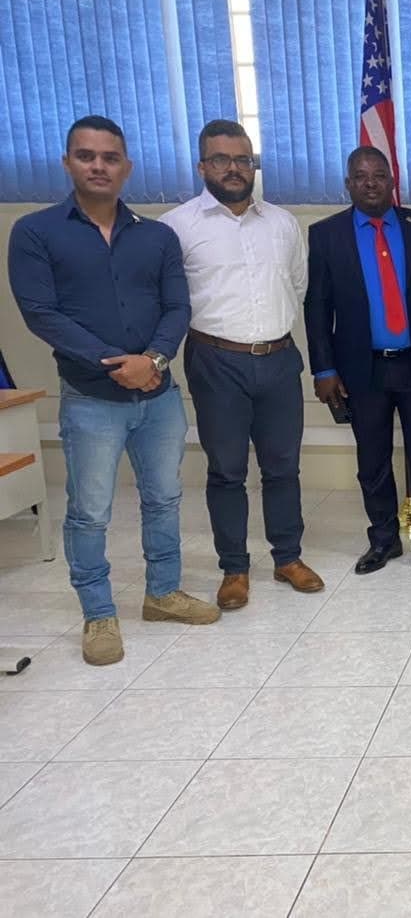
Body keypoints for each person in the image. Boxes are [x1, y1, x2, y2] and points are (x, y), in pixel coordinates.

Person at [8, 115, 219, 666]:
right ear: (67, 162)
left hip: (159, 397)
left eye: (109, 157)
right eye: (86, 155)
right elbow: (41, 313)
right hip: (90, 399)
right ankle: (99, 614)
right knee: (91, 511)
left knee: (164, 498)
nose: (98, 166)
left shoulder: (157, 236)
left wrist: (151, 360)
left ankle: (163, 594)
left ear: (125, 167)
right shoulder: (35, 232)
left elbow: (178, 307)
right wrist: (114, 364)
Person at [160, 119, 323, 610]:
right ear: (202, 165)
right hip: (216, 360)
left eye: (242, 159)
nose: (233, 169)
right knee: (227, 470)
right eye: (221, 159)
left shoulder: (282, 222)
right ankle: (234, 568)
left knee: (283, 466)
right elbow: (170, 299)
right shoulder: (176, 226)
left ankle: (287, 557)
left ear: (253, 164)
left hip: (277, 358)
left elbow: (296, 287)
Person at [305, 146, 411, 579]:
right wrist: (323, 369)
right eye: (360, 176)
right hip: (363, 369)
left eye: (379, 174)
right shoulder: (327, 234)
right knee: (372, 459)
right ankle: (383, 540)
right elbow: (318, 308)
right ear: (348, 184)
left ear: (392, 179)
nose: (371, 182)